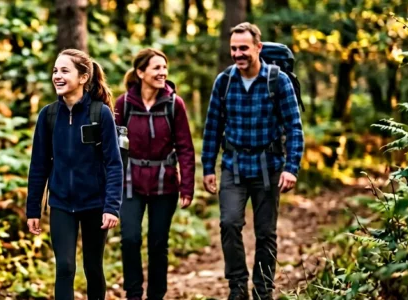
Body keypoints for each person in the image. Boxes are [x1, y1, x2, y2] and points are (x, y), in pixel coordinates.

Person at [201, 22, 304, 300]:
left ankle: (263, 291)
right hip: (233, 167)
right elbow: (213, 127)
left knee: (265, 233)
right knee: (229, 223)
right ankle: (237, 287)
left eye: (244, 48)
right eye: (234, 48)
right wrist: (208, 167)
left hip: (268, 167)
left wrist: (291, 168)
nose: (238, 54)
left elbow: (294, 127)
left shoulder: (278, 81)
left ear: (258, 47)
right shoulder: (224, 81)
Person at [25, 49, 123, 300]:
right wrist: (33, 209)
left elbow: (114, 164)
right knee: (65, 267)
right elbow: (38, 166)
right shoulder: (48, 116)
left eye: (64, 71)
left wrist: (111, 207)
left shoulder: (100, 113)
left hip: (95, 204)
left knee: (93, 267)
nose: (57, 76)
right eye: (55, 71)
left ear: (83, 77)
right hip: (61, 204)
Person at [114, 48, 196, 300]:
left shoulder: (174, 104)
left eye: (164, 67)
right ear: (140, 73)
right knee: (130, 239)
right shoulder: (124, 104)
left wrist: (187, 186)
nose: (163, 73)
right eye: (156, 68)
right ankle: (133, 294)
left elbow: (185, 147)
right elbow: (114, 147)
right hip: (130, 182)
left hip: (164, 183)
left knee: (158, 243)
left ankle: (156, 295)